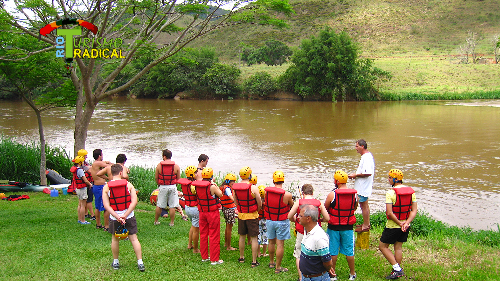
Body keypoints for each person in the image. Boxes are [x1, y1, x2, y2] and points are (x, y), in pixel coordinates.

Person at [102, 164, 145, 272]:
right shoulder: (129, 185)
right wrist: (125, 215)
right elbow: (134, 202)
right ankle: (140, 262)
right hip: (129, 216)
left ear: (111, 173)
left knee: (114, 239)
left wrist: (117, 216)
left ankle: (116, 262)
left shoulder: (106, 187)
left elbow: (106, 205)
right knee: (134, 238)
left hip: (114, 217)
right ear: (121, 173)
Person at [379, 169, 417, 280]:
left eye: (390, 177)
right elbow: (414, 210)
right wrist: (406, 223)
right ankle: (396, 271)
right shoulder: (411, 192)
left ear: (395, 179)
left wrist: (399, 223)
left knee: (383, 246)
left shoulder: (390, 193)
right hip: (405, 225)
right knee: (398, 248)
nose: (388, 179)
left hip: (393, 226)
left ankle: (397, 269)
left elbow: (390, 213)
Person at [288, 184, 330, 281]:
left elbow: (290, 216)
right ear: (312, 193)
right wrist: (320, 220)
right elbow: (327, 218)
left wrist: (296, 220)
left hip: (301, 231)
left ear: (303, 193)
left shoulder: (299, 202)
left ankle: (301, 277)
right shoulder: (318, 203)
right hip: (314, 230)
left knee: (299, 254)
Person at [324, 170, 358, 281]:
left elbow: (325, 208)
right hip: (348, 227)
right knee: (349, 251)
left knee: (333, 251)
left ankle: (332, 275)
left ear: (337, 181)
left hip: (333, 227)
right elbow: (354, 208)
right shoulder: (355, 195)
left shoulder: (332, 194)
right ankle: (352, 274)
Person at [192, 167, 224, 265]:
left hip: (202, 212)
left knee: (203, 234)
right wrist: (215, 185)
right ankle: (214, 259)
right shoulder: (212, 186)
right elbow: (221, 195)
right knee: (214, 235)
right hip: (212, 213)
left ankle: (204, 257)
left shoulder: (197, 186)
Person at [232, 167, 263, 268]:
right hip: (252, 215)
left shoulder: (235, 187)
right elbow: (259, 203)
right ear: (250, 175)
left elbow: (235, 201)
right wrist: (256, 210)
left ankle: (241, 257)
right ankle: (254, 261)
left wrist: (241, 209)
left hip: (241, 215)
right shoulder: (253, 188)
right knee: (254, 238)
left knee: (242, 236)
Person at [264, 170, 294, 273]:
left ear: (273, 181)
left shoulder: (266, 192)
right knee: (280, 244)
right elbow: (292, 205)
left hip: (270, 220)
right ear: (283, 181)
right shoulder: (287, 195)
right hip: (281, 221)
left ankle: (271, 262)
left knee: (271, 242)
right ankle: (278, 267)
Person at [298, 204, 333, 281]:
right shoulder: (307, 230)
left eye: (300, 216)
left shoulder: (319, 238)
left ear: (308, 218)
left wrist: (327, 269)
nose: (298, 217)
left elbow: (327, 262)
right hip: (306, 277)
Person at [348, 139, 375, 232]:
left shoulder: (366, 157)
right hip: (363, 186)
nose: (356, 148)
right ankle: (366, 223)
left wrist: (355, 175)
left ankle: (366, 225)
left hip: (363, 187)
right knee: (364, 205)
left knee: (363, 206)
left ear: (362, 146)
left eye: (357, 146)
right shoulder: (366, 156)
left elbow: (368, 173)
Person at [154, 149, 181, 226]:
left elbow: (156, 177)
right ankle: (171, 222)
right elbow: (178, 179)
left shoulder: (159, 165)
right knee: (172, 206)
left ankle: (156, 221)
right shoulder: (176, 166)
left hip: (163, 186)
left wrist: (159, 184)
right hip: (173, 186)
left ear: (164, 156)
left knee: (159, 205)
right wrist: (175, 185)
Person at [178, 166, 200, 253]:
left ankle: (189, 244)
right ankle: (195, 249)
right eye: (196, 173)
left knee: (193, 226)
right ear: (192, 174)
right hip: (195, 208)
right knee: (196, 230)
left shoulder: (185, 184)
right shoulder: (193, 185)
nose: (197, 174)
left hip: (187, 208)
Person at [90, 149, 112, 230]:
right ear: (99, 156)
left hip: (96, 186)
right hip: (100, 187)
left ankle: (98, 224)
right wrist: (111, 163)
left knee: (97, 206)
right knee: (106, 207)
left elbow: (104, 165)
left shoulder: (95, 164)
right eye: (102, 155)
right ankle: (106, 226)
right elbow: (110, 166)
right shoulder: (98, 163)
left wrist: (106, 178)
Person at [70, 155, 93, 225]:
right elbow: (85, 180)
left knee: (80, 204)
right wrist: (90, 184)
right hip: (82, 188)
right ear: (80, 163)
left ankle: (79, 219)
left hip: (78, 188)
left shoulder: (75, 169)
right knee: (83, 205)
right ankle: (83, 220)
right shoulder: (80, 170)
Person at [220, 173, 237, 251]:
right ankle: (229, 246)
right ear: (229, 181)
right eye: (233, 181)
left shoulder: (222, 187)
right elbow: (232, 198)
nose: (234, 183)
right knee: (229, 228)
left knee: (227, 227)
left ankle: (226, 243)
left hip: (225, 208)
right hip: (229, 209)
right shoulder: (227, 189)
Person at [78, 149, 96, 221]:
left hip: (84, 185)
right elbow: (90, 171)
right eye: (85, 155)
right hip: (88, 184)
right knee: (89, 200)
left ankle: (86, 213)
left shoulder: (79, 164)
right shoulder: (83, 165)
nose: (86, 157)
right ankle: (92, 215)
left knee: (84, 200)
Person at [257, 185, 268, 258]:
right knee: (265, 236)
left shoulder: (257, 202)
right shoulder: (267, 203)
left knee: (258, 237)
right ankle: (264, 253)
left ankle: (258, 253)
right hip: (265, 221)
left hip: (258, 220)